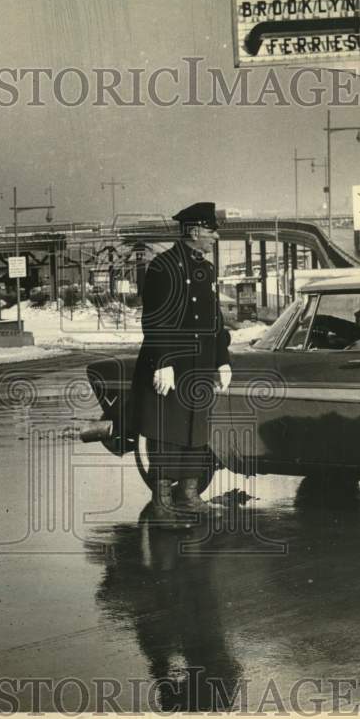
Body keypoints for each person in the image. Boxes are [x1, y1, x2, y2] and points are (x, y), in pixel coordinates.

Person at [131, 202, 232, 527]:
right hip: (173, 364)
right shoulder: (164, 266)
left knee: (195, 429)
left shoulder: (207, 269)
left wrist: (222, 360)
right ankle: (162, 503)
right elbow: (155, 320)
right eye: (211, 229)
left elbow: (214, 319)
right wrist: (163, 362)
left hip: (200, 364)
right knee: (167, 432)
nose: (216, 236)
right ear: (193, 230)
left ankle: (188, 495)